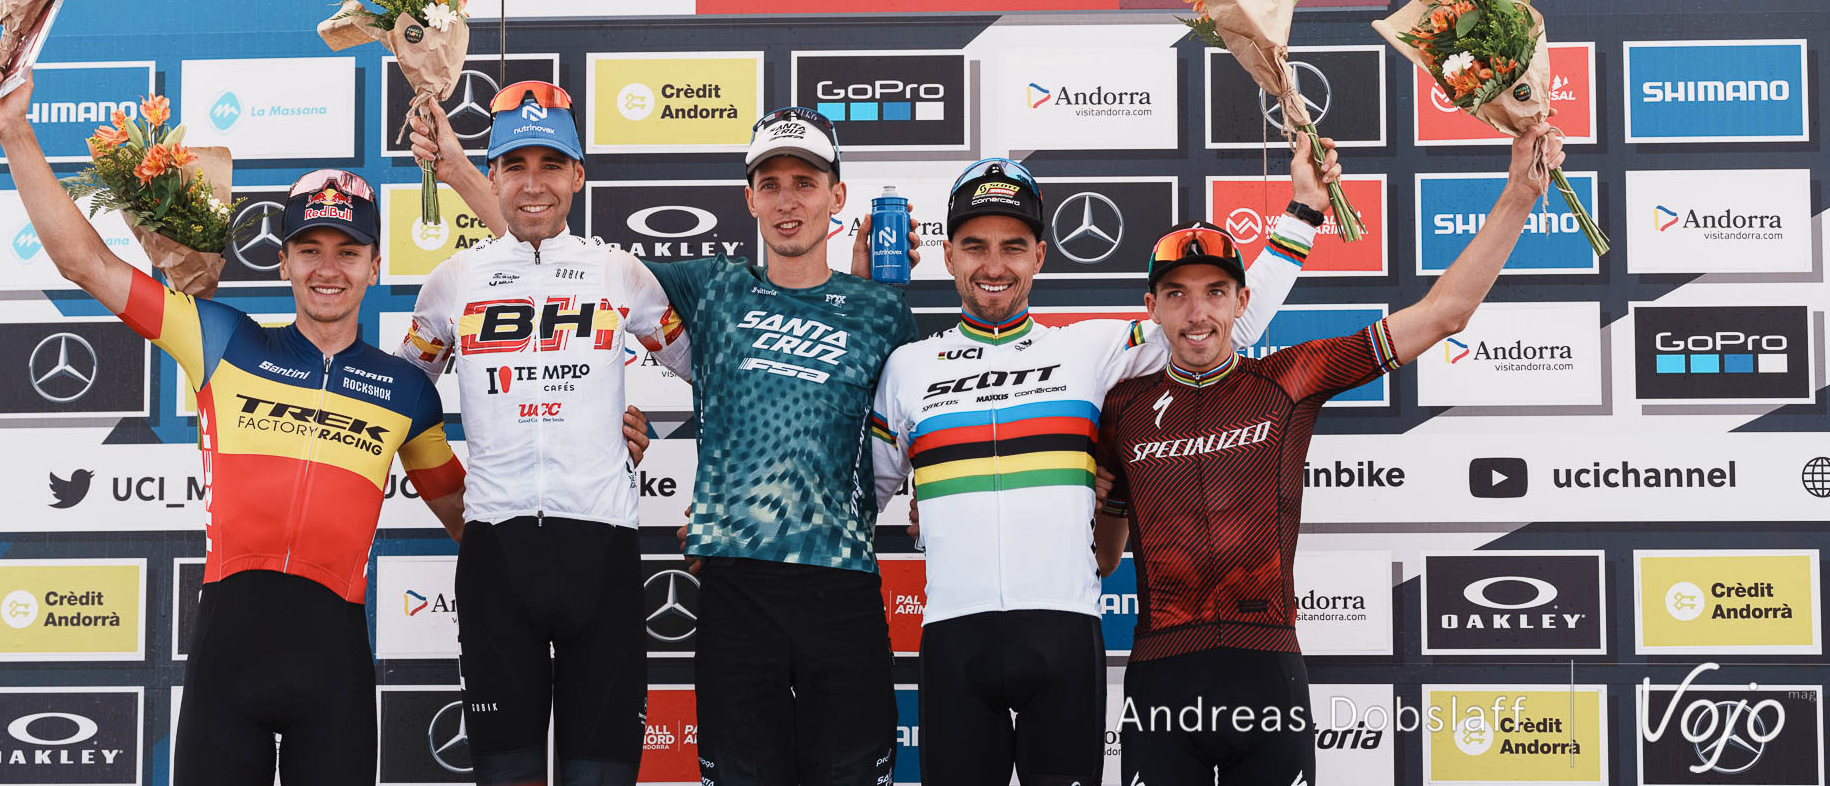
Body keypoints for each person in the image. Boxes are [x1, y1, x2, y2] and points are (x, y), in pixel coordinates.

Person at [0, 54, 464, 786]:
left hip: (333, 670)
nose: (328, 269)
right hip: (228, 660)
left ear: (374, 264)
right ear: (283, 262)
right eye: (309, 250)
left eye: (347, 251)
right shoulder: (222, 340)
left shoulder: (405, 392)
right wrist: (13, 130)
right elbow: (87, 265)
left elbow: (472, 524)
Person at [416, 104, 918, 786]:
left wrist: (870, 284)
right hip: (735, 591)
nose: (788, 201)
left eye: (806, 182)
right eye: (771, 184)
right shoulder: (715, 288)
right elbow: (551, 251)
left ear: (838, 195)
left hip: (844, 590)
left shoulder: (882, 309)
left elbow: (907, 430)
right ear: (749, 198)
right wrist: (459, 174)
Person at [1099, 125, 1566, 784]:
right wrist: (1089, 498)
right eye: (1176, 293)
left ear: (1242, 300)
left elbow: (1445, 313)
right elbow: (1104, 557)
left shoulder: (1289, 380)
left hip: (1266, 674)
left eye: (1215, 291)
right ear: (1152, 307)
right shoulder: (1120, 408)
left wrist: (1519, 194)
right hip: (1160, 680)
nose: (1196, 312)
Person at [868, 141, 1338, 786]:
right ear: (948, 254)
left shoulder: (1089, 348)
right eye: (975, 246)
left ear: (1040, 255)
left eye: (1013, 247)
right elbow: (862, 494)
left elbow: (1225, 325)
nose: (994, 265)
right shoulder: (907, 367)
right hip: (953, 638)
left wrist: (1304, 211)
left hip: (1065, 635)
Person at [396, 81, 671, 786]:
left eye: (551, 165)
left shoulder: (620, 274)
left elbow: (716, 373)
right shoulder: (453, 282)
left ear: (578, 175)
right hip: (497, 560)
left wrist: (646, 430)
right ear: (491, 177)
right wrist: (451, 500)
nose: (533, 183)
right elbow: (396, 402)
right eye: (514, 165)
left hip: (603, 556)